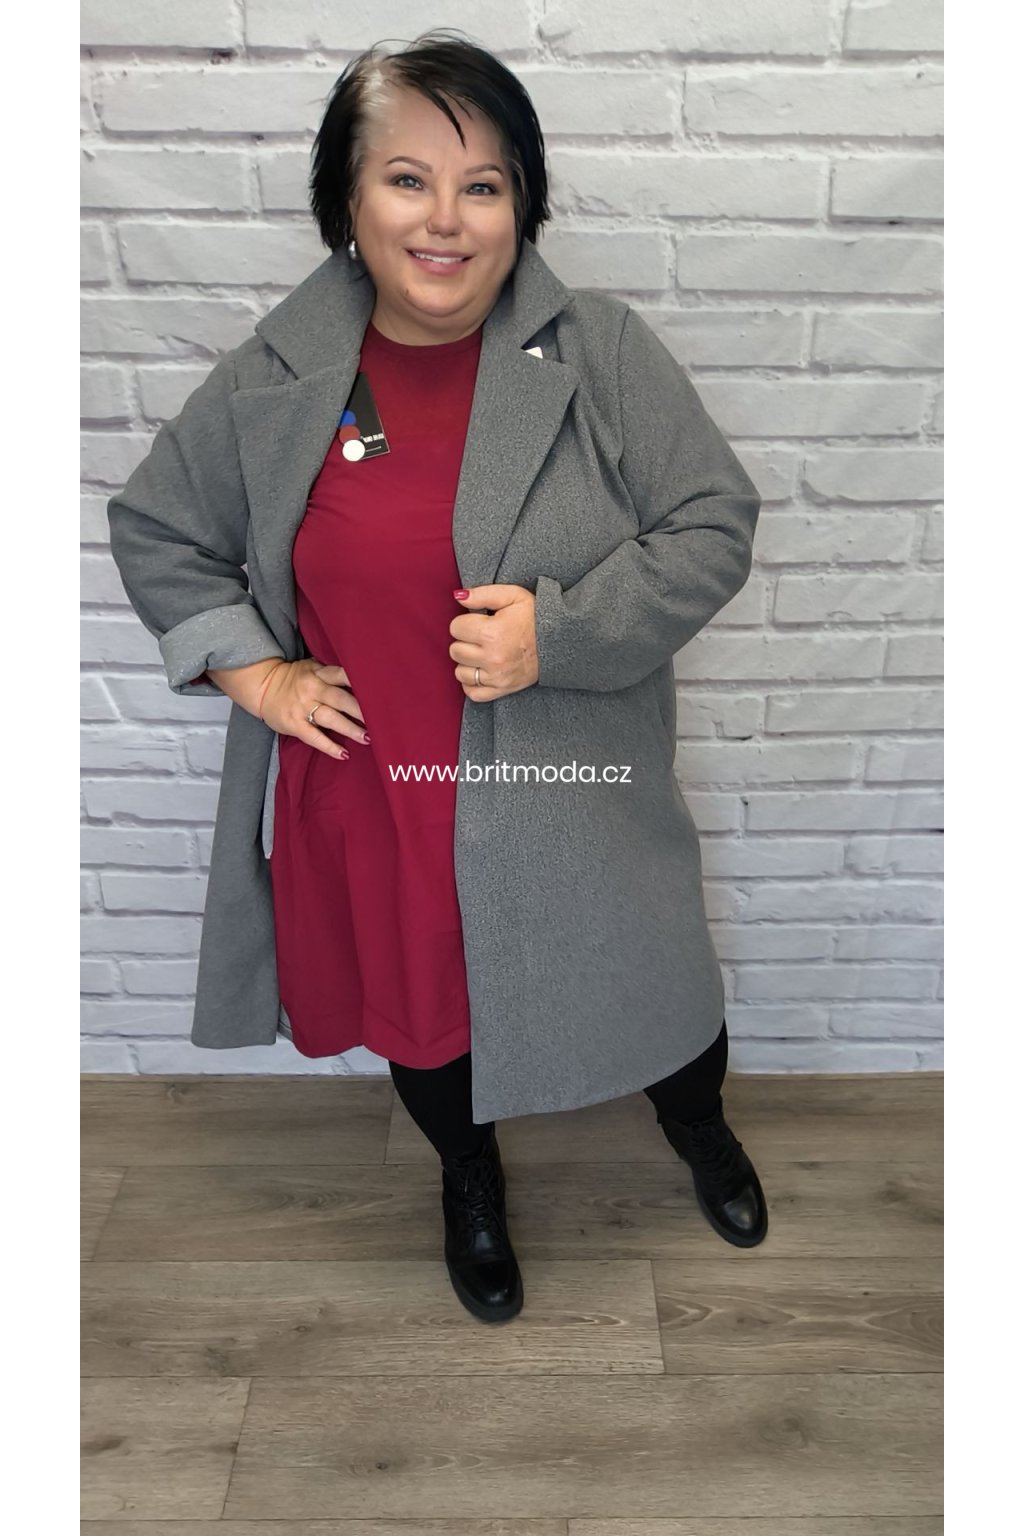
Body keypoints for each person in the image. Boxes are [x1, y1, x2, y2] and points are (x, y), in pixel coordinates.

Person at [106, 30, 768, 1327]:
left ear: (524, 203)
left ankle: (700, 1125)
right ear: (348, 202)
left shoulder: (599, 350)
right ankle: (469, 1178)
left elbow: (712, 525)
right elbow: (158, 532)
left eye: (485, 184)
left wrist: (560, 632)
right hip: (378, 796)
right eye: (407, 179)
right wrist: (260, 676)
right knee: (426, 1021)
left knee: (656, 989)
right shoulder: (277, 376)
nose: (447, 220)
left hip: (571, 786)